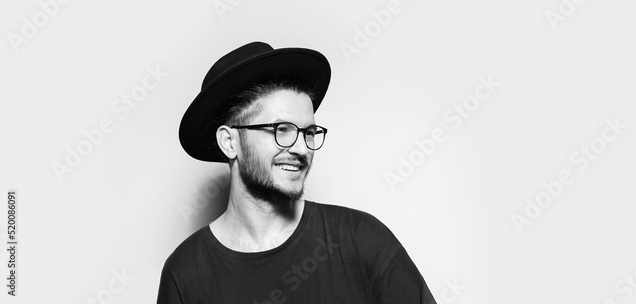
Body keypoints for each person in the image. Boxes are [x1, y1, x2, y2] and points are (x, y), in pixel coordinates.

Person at [158, 41, 436, 304]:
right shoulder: (185, 272)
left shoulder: (360, 239)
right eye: (282, 130)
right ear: (230, 142)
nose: (302, 148)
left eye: (309, 132)